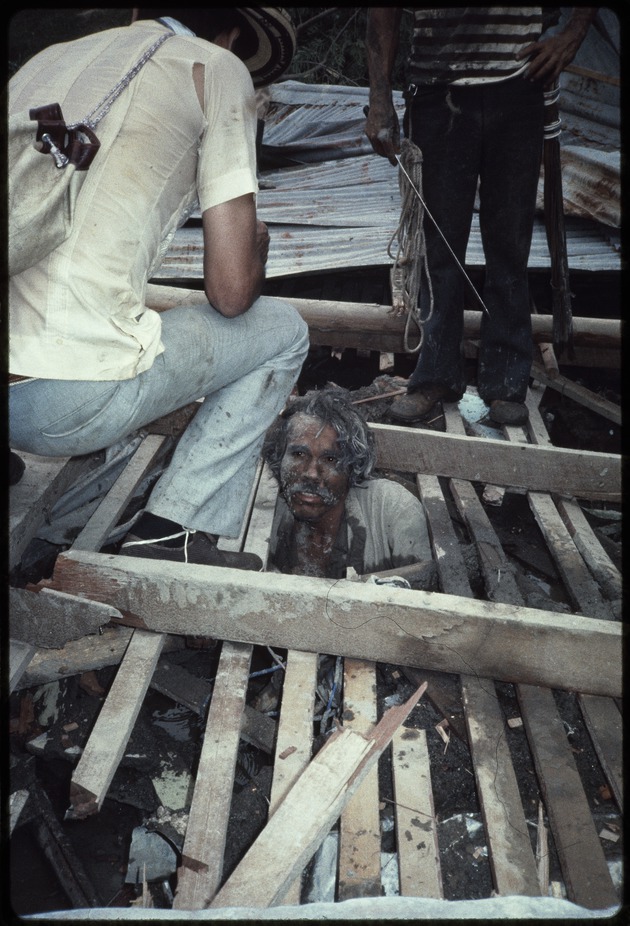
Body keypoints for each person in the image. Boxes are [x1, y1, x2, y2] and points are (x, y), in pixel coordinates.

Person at [8, 8, 309, 569]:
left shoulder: (47, 58)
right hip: (58, 403)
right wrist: (257, 249)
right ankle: (178, 529)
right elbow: (230, 293)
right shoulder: (215, 68)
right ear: (236, 35)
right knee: (284, 331)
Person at [365, 7, 597, 426]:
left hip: (519, 83)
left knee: (509, 242)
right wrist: (378, 97)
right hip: (437, 87)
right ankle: (436, 375)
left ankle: (507, 383)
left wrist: (573, 34)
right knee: (439, 243)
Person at [262, 386, 434, 583]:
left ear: (352, 467)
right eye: (299, 455)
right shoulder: (263, 512)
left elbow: (425, 583)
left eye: (330, 459)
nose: (311, 474)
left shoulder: (394, 508)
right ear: (279, 458)